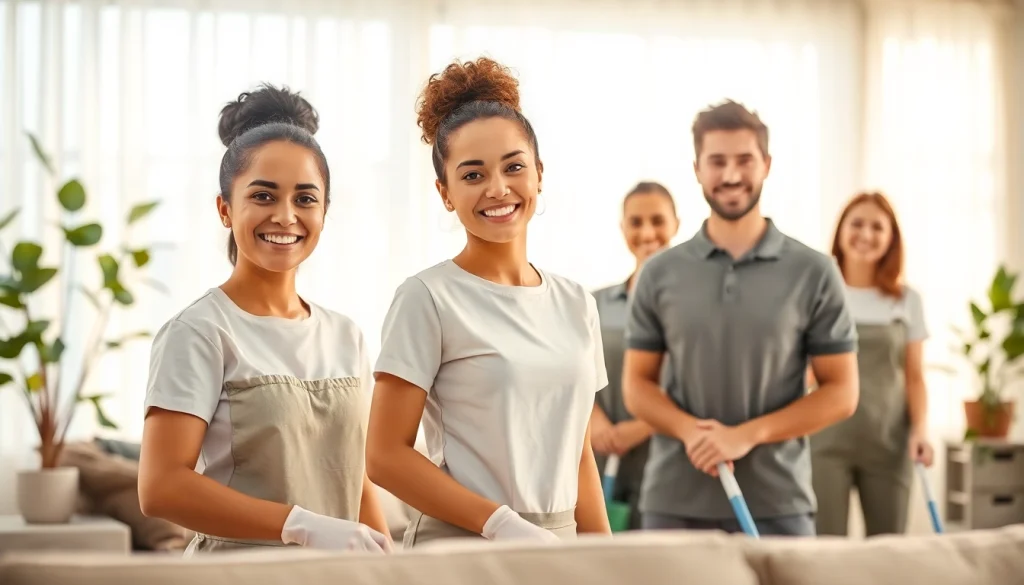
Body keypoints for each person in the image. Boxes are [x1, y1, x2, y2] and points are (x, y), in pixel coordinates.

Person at [365, 57, 611, 549]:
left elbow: (577, 451)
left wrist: (604, 557)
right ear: (445, 192)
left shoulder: (576, 302)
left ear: (539, 174)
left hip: (559, 547)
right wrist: (501, 525)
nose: (498, 189)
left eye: (514, 167)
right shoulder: (428, 298)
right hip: (462, 548)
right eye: (472, 175)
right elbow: (385, 456)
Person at [137, 85, 392, 555]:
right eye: (264, 195)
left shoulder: (345, 336)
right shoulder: (200, 333)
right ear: (225, 208)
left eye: (305, 199)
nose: (286, 216)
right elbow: (161, 487)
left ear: (325, 211)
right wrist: (300, 525)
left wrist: (391, 566)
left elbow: (355, 482)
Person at [621, 99, 860, 537]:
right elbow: (637, 385)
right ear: (697, 169)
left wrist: (746, 434)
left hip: (778, 504)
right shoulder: (660, 273)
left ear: (766, 164)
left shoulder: (814, 271)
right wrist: (692, 432)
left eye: (744, 160)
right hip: (673, 504)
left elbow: (842, 392)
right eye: (717, 161)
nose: (731, 175)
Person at [809, 191, 934, 537]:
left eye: (877, 227)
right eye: (857, 224)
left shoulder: (908, 300)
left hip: (889, 445)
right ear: (840, 231)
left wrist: (921, 430)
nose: (866, 234)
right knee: (824, 550)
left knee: (888, 551)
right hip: (824, 443)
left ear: (891, 238)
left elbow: (914, 377)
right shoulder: (818, 293)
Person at [590, 181, 679, 530]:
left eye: (657, 221)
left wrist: (640, 427)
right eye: (636, 222)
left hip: (667, 458)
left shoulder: (694, 308)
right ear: (622, 227)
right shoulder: (593, 305)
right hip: (601, 455)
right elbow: (572, 375)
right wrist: (595, 423)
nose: (647, 232)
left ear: (676, 224)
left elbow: (701, 382)